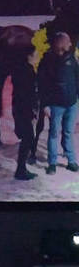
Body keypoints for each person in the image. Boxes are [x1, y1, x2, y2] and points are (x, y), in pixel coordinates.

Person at [37, 32, 79, 174]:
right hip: (55, 105)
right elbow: (42, 85)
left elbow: (77, 79)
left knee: (68, 132)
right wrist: (45, 105)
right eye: (67, 42)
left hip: (72, 104)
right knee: (54, 133)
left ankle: (71, 160)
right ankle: (52, 163)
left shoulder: (72, 59)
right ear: (61, 44)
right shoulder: (47, 61)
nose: (70, 44)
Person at [11, 44, 40, 180]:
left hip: (19, 108)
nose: (37, 57)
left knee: (27, 137)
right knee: (28, 138)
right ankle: (20, 170)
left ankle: (21, 169)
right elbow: (28, 93)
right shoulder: (27, 71)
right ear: (29, 56)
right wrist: (32, 110)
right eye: (35, 55)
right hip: (24, 109)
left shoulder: (19, 69)